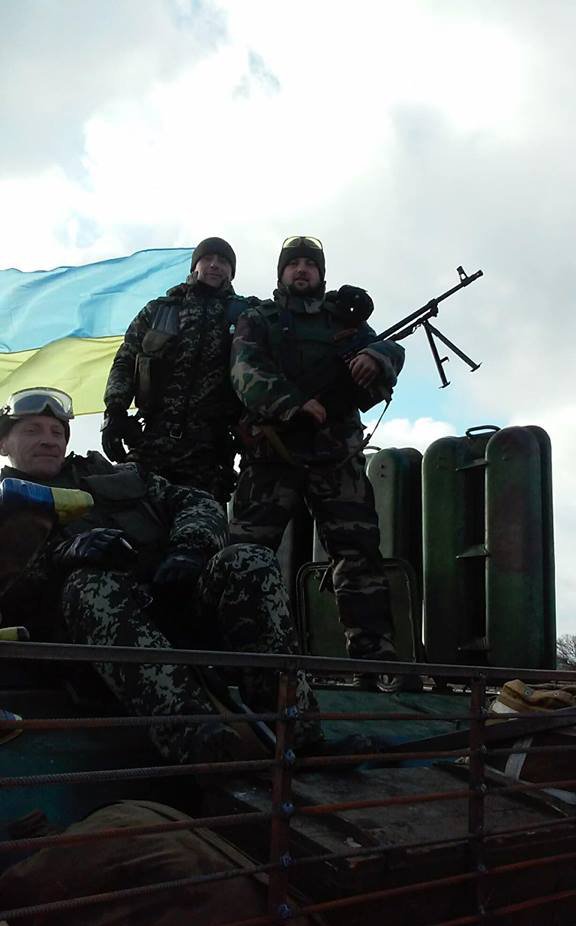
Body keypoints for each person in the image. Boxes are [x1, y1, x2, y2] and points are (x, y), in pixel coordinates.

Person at [0, 387, 322, 761]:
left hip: (172, 604)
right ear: (4, 444)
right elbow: (10, 598)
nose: (48, 440)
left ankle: (300, 733)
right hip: (81, 652)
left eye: (57, 432)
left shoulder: (116, 475)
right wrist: (62, 556)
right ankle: (197, 736)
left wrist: (188, 549)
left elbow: (196, 501)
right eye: (32, 430)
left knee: (249, 560)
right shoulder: (6, 505)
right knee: (90, 584)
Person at [229, 236, 405, 681]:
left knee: (359, 555)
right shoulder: (259, 318)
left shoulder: (341, 321)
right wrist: (294, 403)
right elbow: (245, 372)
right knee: (245, 555)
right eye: (294, 264)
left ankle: (373, 658)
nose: (302, 270)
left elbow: (391, 348)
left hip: (335, 457)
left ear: (321, 274)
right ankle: (237, 657)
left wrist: (376, 357)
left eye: (310, 264)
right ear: (281, 273)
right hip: (272, 455)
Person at [102, 238, 258, 504]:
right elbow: (126, 360)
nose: (214, 265)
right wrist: (114, 412)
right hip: (152, 439)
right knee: (130, 512)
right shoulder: (159, 310)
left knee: (200, 521)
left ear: (232, 273)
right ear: (195, 266)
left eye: (223, 261)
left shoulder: (247, 315)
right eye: (207, 259)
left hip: (211, 451)